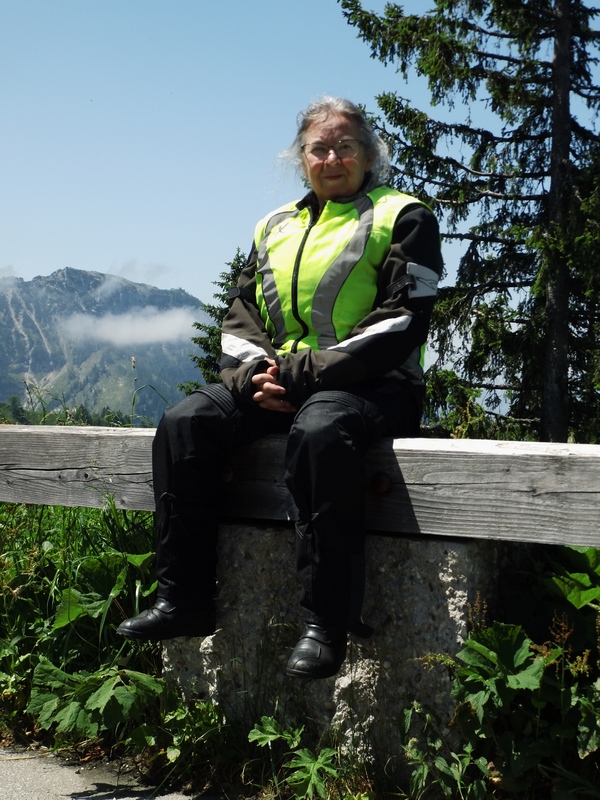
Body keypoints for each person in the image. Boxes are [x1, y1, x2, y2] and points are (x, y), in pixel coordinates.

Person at [117, 96, 444, 680]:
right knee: (186, 423)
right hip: (280, 382)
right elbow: (240, 313)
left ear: (370, 155)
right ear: (301, 159)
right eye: (319, 148)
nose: (332, 158)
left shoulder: (405, 216)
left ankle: (326, 624)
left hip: (375, 385)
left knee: (321, 431)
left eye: (345, 146)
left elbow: (402, 320)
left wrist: (299, 376)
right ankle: (184, 599)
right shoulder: (273, 225)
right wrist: (253, 378)